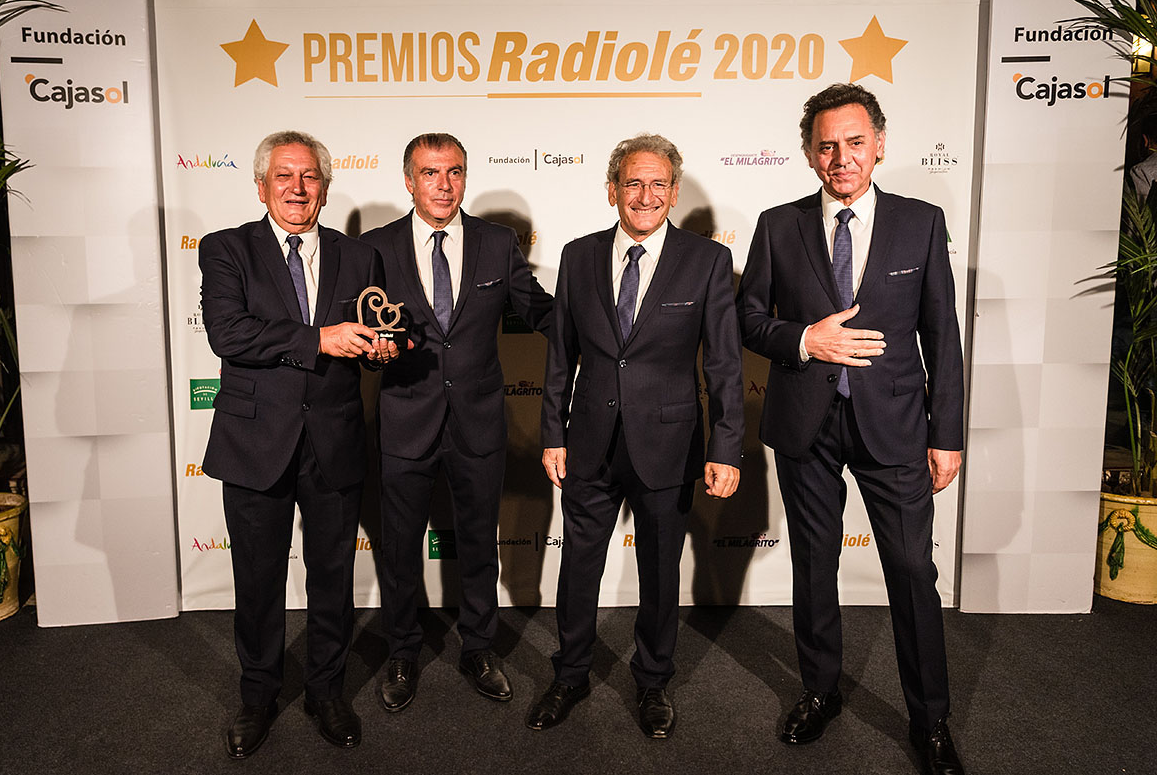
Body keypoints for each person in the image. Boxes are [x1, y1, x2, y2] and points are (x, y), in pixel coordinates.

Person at [735, 83, 966, 775]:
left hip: (894, 424)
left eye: (855, 142)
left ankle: (930, 720)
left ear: (880, 145)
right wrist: (806, 338)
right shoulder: (778, 225)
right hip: (805, 422)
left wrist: (947, 433)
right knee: (814, 563)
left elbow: (942, 337)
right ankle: (820, 690)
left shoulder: (920, 222)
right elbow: (747, 319)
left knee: (911, 571)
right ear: (810, 153)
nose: (842, 157)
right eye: (827, 145)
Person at [529, 134, 743, 739]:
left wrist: (726, 447)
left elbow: (724, 364)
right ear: (612, 190)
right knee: (579, 568)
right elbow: (560, 355)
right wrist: (553, 433)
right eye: (632, 183)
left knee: (660, 571)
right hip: (589, 440)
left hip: (669, 444)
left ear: (673, 194)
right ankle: (570, 674)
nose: (645, 196)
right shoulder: (578, 256)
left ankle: (653, 681)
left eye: (658, 185)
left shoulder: (707, 261)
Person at [200, 130, 396, 759]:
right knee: (257, 580)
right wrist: (319, 339)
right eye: (283, 176)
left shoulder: (358, 256)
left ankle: (325, 693)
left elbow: (369, 334)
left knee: (332, 579)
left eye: (309, 176)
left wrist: (378, 349)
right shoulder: (226, 248)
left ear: (325, 188)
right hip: (255, 441)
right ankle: (257, 698)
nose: (297, 188)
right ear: (262, 187)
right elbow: (229, 334)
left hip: (334, 439)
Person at [360, 132, 553, 712]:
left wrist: (601, 322)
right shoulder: (376, 246)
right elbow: (358, 326)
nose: (443, 185)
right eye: (430, 173)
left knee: (478, 542)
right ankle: (401, 650)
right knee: (399, 548)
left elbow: (536, 308)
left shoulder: (497, 242)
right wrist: (372, 350)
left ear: (465, 176)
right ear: (408, 179)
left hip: (479, 420)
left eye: (455, 172)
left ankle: (479, 648)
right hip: (404, 419)